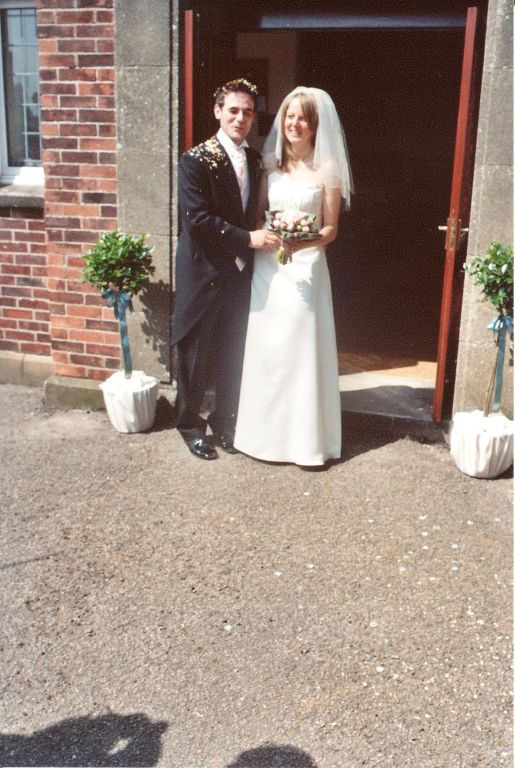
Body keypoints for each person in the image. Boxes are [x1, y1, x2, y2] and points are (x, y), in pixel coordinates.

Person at [234, 87, 354, 466]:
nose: (294, 124)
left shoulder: (328, 171)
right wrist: (271, 238)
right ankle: (263, 439)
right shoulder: (270, 165)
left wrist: (299, 244)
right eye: (289, 116)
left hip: (306, 267)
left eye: (302, 117)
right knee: (269, 349)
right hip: (269, 268)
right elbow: (259, 218)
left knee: (300, 351)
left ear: (315, 124)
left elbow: (331, 229)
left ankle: (305, 444)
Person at [171, 79, 282, 460]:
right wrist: (249, 239)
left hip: (239, 274)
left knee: (233, 351)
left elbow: (255, 210)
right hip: (204, 272)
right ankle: (189, 425)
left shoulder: (253, 160)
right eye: (233, 110)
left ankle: (224, 420)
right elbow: (198, 220)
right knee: (196, 354)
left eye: (247, 112)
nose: (240, 118)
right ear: (217, 111)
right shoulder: (195, 159)